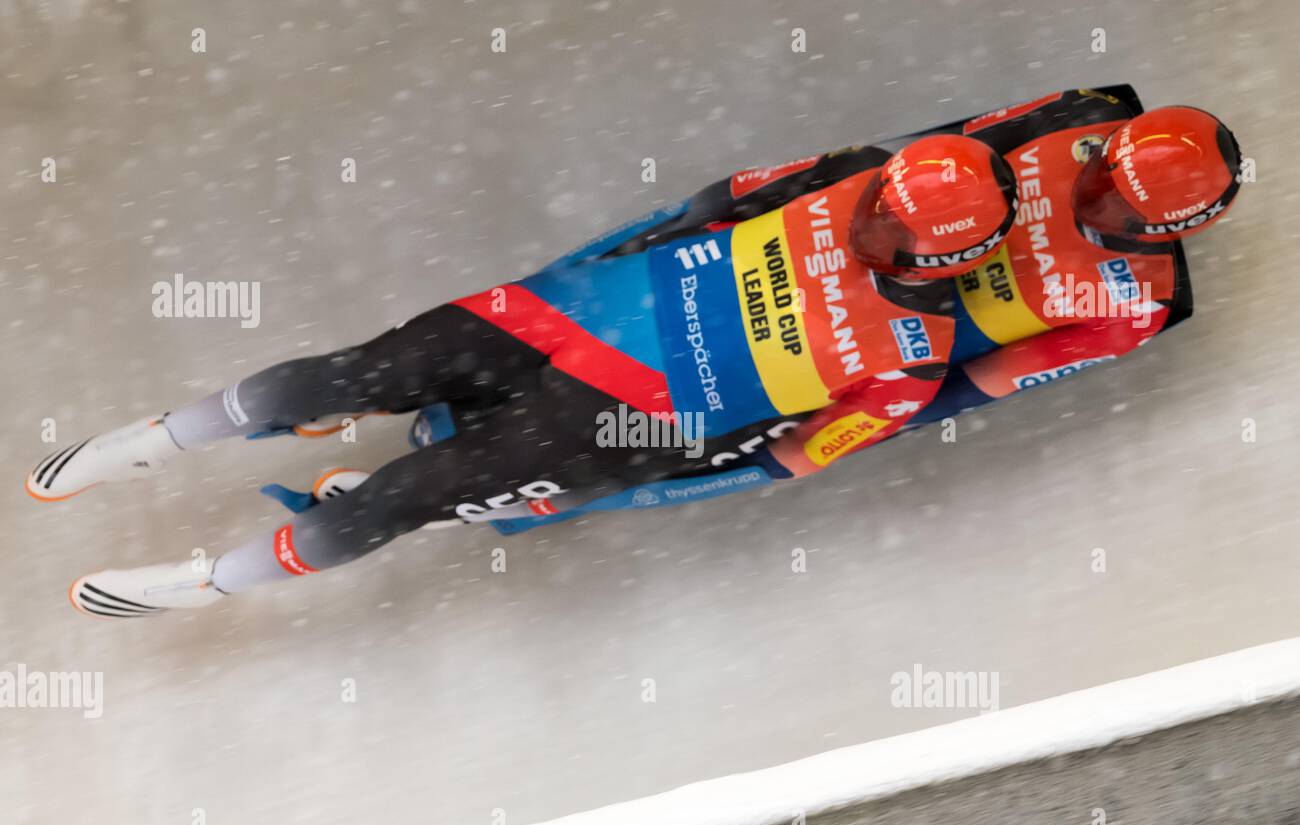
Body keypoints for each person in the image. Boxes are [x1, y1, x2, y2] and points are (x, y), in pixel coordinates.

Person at [28, 87, 1240, 618]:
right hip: (575, 312)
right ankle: (163, 437)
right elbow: (707, 208)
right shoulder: (954, 165)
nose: (869, 217)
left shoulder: (925, 354)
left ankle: (215, 584)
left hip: (633, 422)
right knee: (331, 376)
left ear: (1152, 231)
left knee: (398, 503)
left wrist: (662, 477)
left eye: (891, 226)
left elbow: (816, 450)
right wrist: (592, 260)